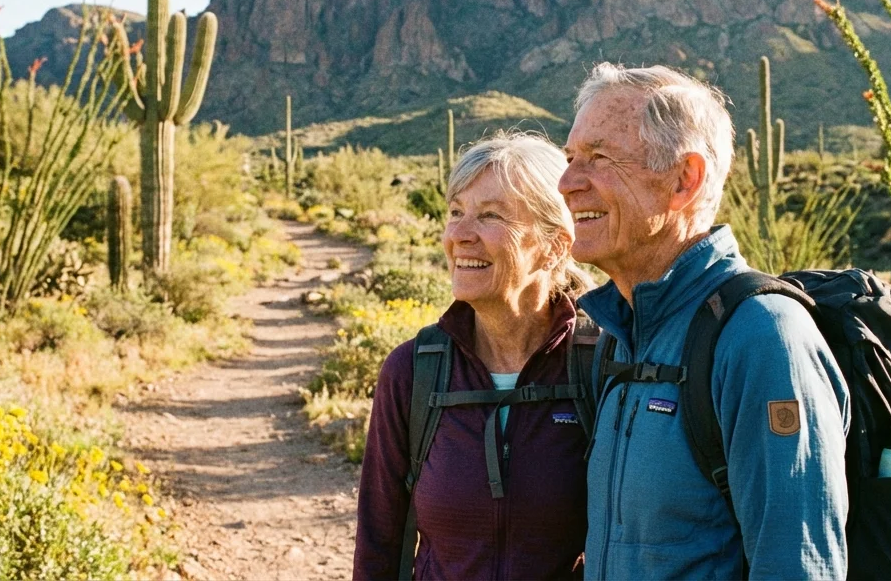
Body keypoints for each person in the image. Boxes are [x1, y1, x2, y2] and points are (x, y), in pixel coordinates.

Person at [558, 63, 850, 580]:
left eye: (599, 158)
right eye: (570, 158)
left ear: (683, 180)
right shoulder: (617, 336)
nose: (567, 182)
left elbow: (799, 566)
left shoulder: (761, 336)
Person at [354, 132, 597, 580]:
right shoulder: (414, 371)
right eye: (455, 213)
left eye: (489, 216)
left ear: (556, 245)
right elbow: (378, 544)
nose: (459, 236)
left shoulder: (600, 365)